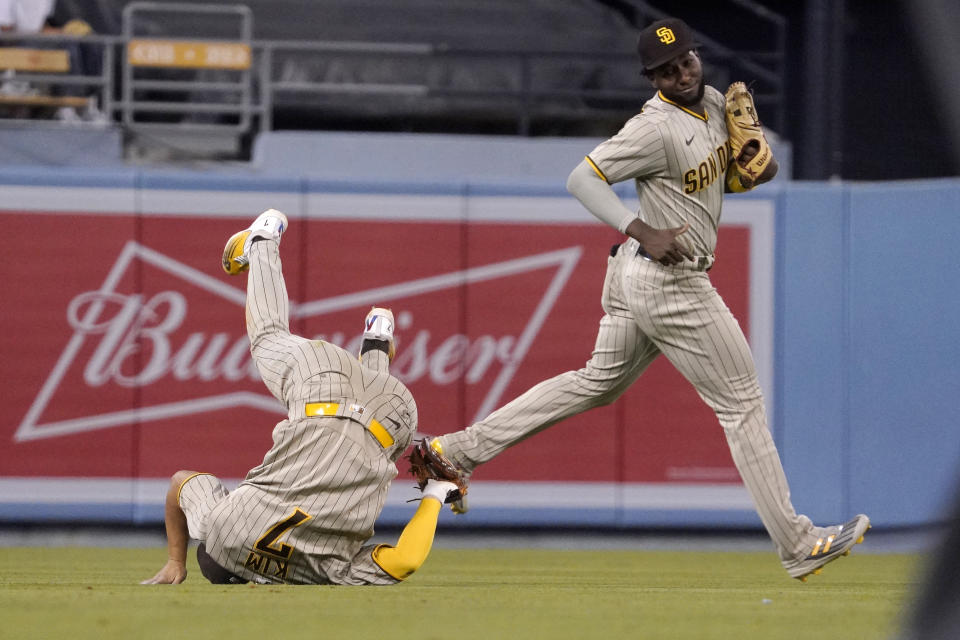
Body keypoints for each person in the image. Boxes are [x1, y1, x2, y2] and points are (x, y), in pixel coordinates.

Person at [431, 17, 869, 581]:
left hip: (634, 281)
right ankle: (798, 543)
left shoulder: (712, 102)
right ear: (650, 77)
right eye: (665, 70)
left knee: (596, 382)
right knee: (742, 405)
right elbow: (581, 179)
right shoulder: (654, 127)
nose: (680, 73)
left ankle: (457, 453)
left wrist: (747, 173)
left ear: (696, 56)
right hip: (670, 282)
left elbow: (713, 179)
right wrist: (638, 227)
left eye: (685, 60)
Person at [141, 209, 465, 585]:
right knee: (268, 336)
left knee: (371, 425)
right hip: (319, 381)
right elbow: (181, 482)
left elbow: (404, 561)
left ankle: (377, 342)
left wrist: (436, 496)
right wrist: (176, 561)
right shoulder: (218, 527)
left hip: (394, 414)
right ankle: (263, 240)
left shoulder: (327, 571)